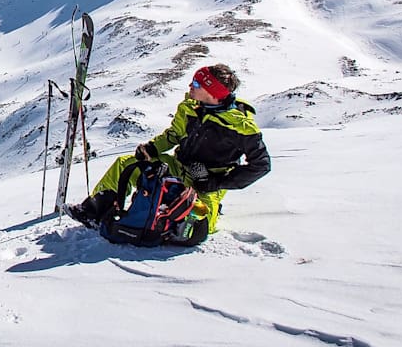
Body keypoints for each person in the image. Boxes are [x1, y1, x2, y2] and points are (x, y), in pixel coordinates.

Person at [65, 63, 269, 235]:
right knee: (126, 165)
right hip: (177, 166)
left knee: (196, 227)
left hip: (205, 183)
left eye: (196, 84)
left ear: (212, 93)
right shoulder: (190, 106)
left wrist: (216, 182)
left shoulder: (240, 127)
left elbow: (261, 165)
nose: (191, 86)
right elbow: (174, 134)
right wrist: (152, 149)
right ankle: (94, 210)